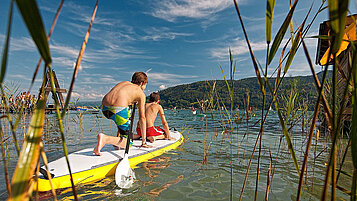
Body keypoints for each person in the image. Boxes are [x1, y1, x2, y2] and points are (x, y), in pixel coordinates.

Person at [93, 72, 150, 156]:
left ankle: (117, 142)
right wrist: (144, 142)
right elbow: (142, 118)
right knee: (128, 143)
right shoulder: (140, 93)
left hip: (104, 107)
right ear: (142, 83)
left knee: (123, 115)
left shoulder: (124, 83)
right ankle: (105, 139)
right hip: (118, 109)